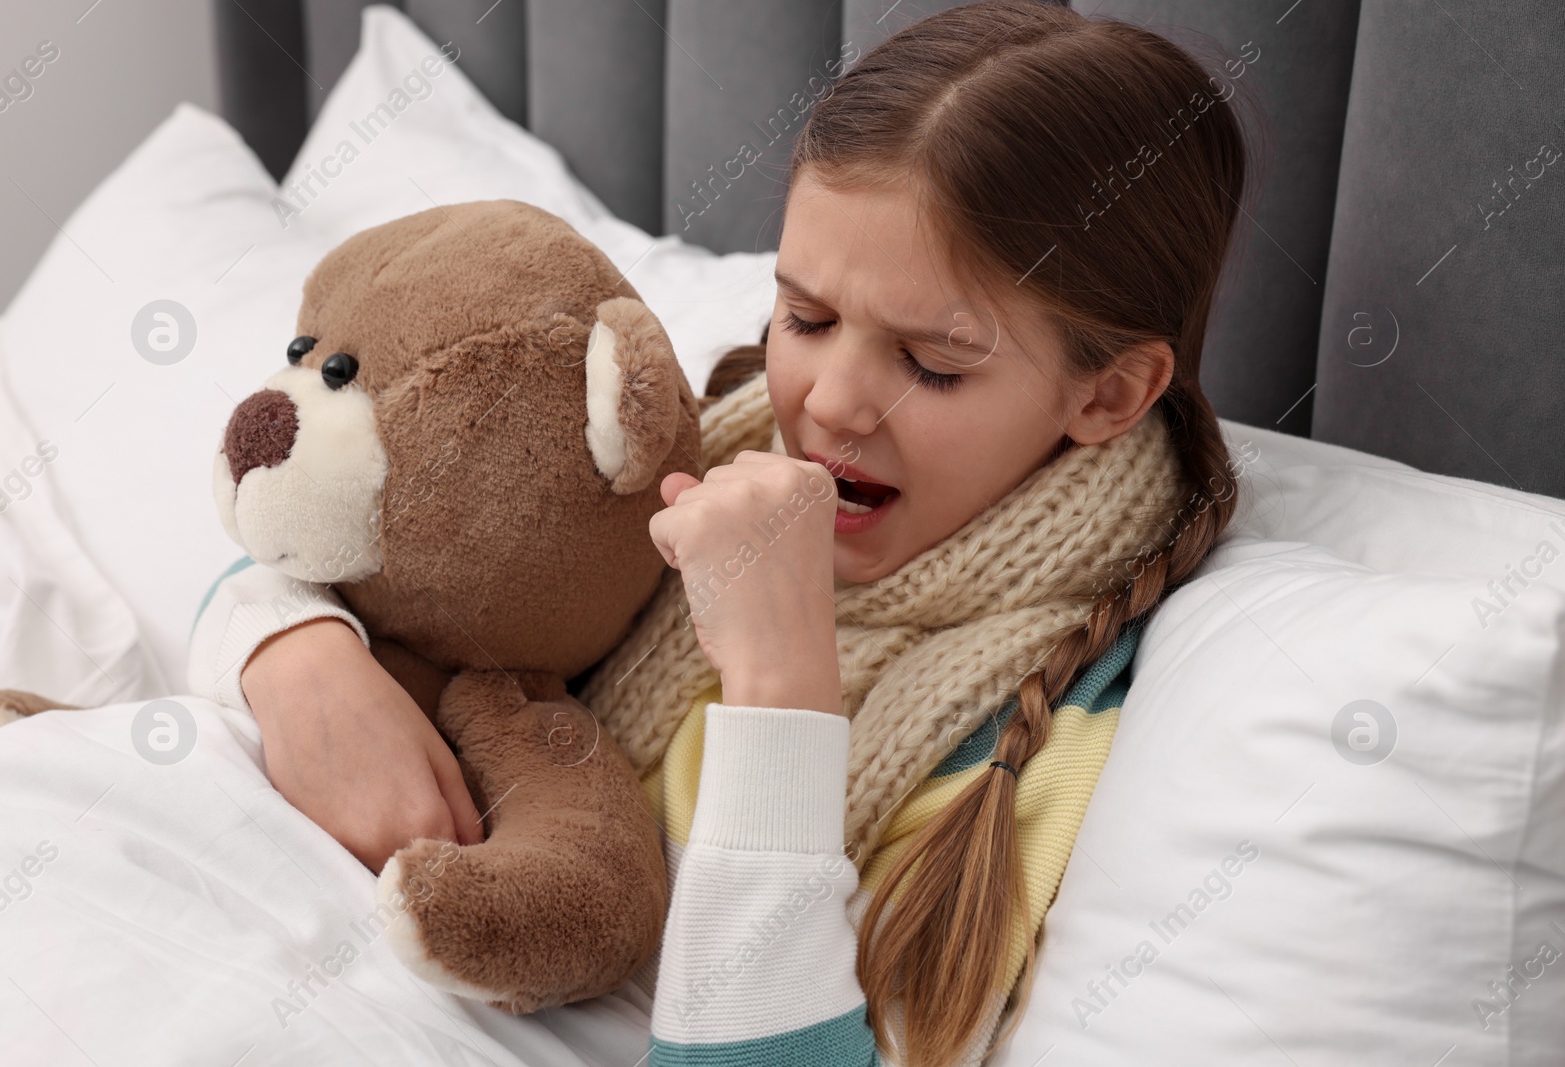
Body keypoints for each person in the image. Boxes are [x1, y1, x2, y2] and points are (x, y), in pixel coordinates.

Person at [188, 3, 1258, 1063]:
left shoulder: (1042, 747)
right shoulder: (682, 454)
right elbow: (368, 553)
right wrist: (295, 653)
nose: (832, 402)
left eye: (933, 363)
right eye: (805, 318)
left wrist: (781, 684)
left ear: (1111, 396)